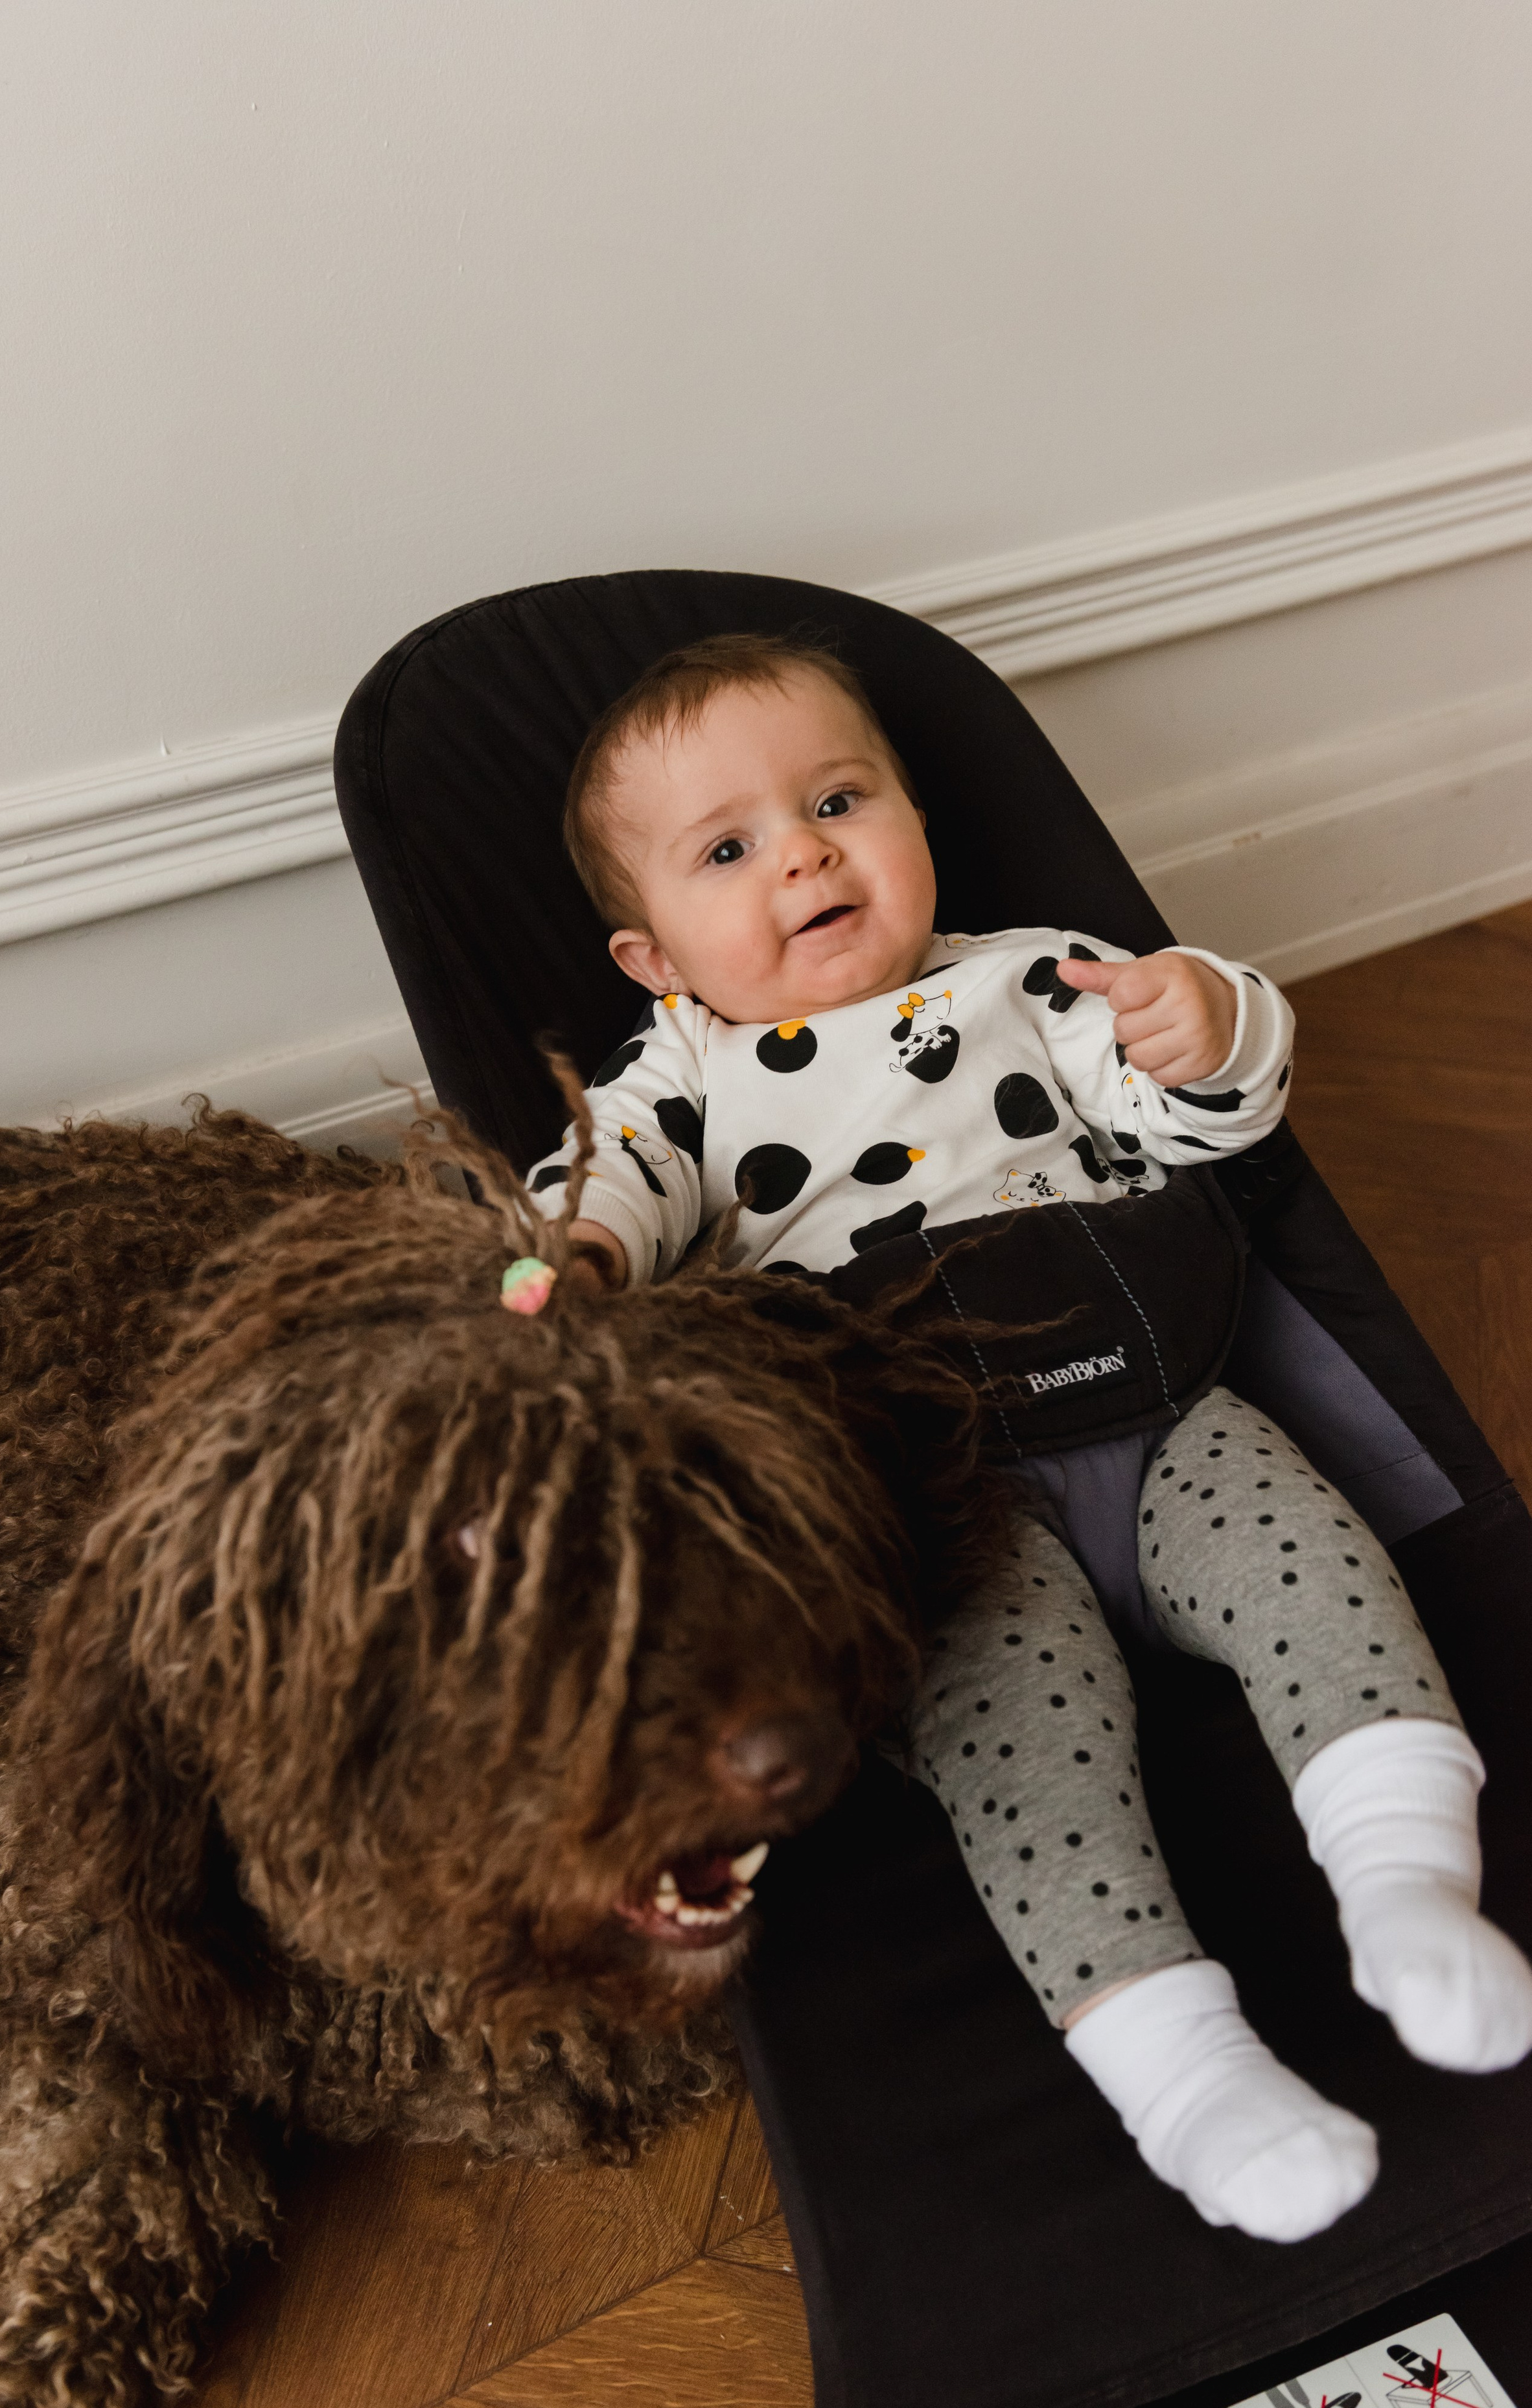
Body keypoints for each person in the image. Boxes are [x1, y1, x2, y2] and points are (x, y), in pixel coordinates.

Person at [526, 631, 1532, 2243]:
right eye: (730, 849)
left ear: (909, 812)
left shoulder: (1031, 978)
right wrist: (569, 1255)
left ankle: (1405, 1879)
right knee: (1025, 1759)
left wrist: (1208, 1025)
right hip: (940, 1505)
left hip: (1158, 1408)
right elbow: (609, 1184)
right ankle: (1176, 2065)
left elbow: (1204, 1115)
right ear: (654, 961)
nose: (801, 850)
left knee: (1322, 1583)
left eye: (837, 798)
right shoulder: (688, 1081)